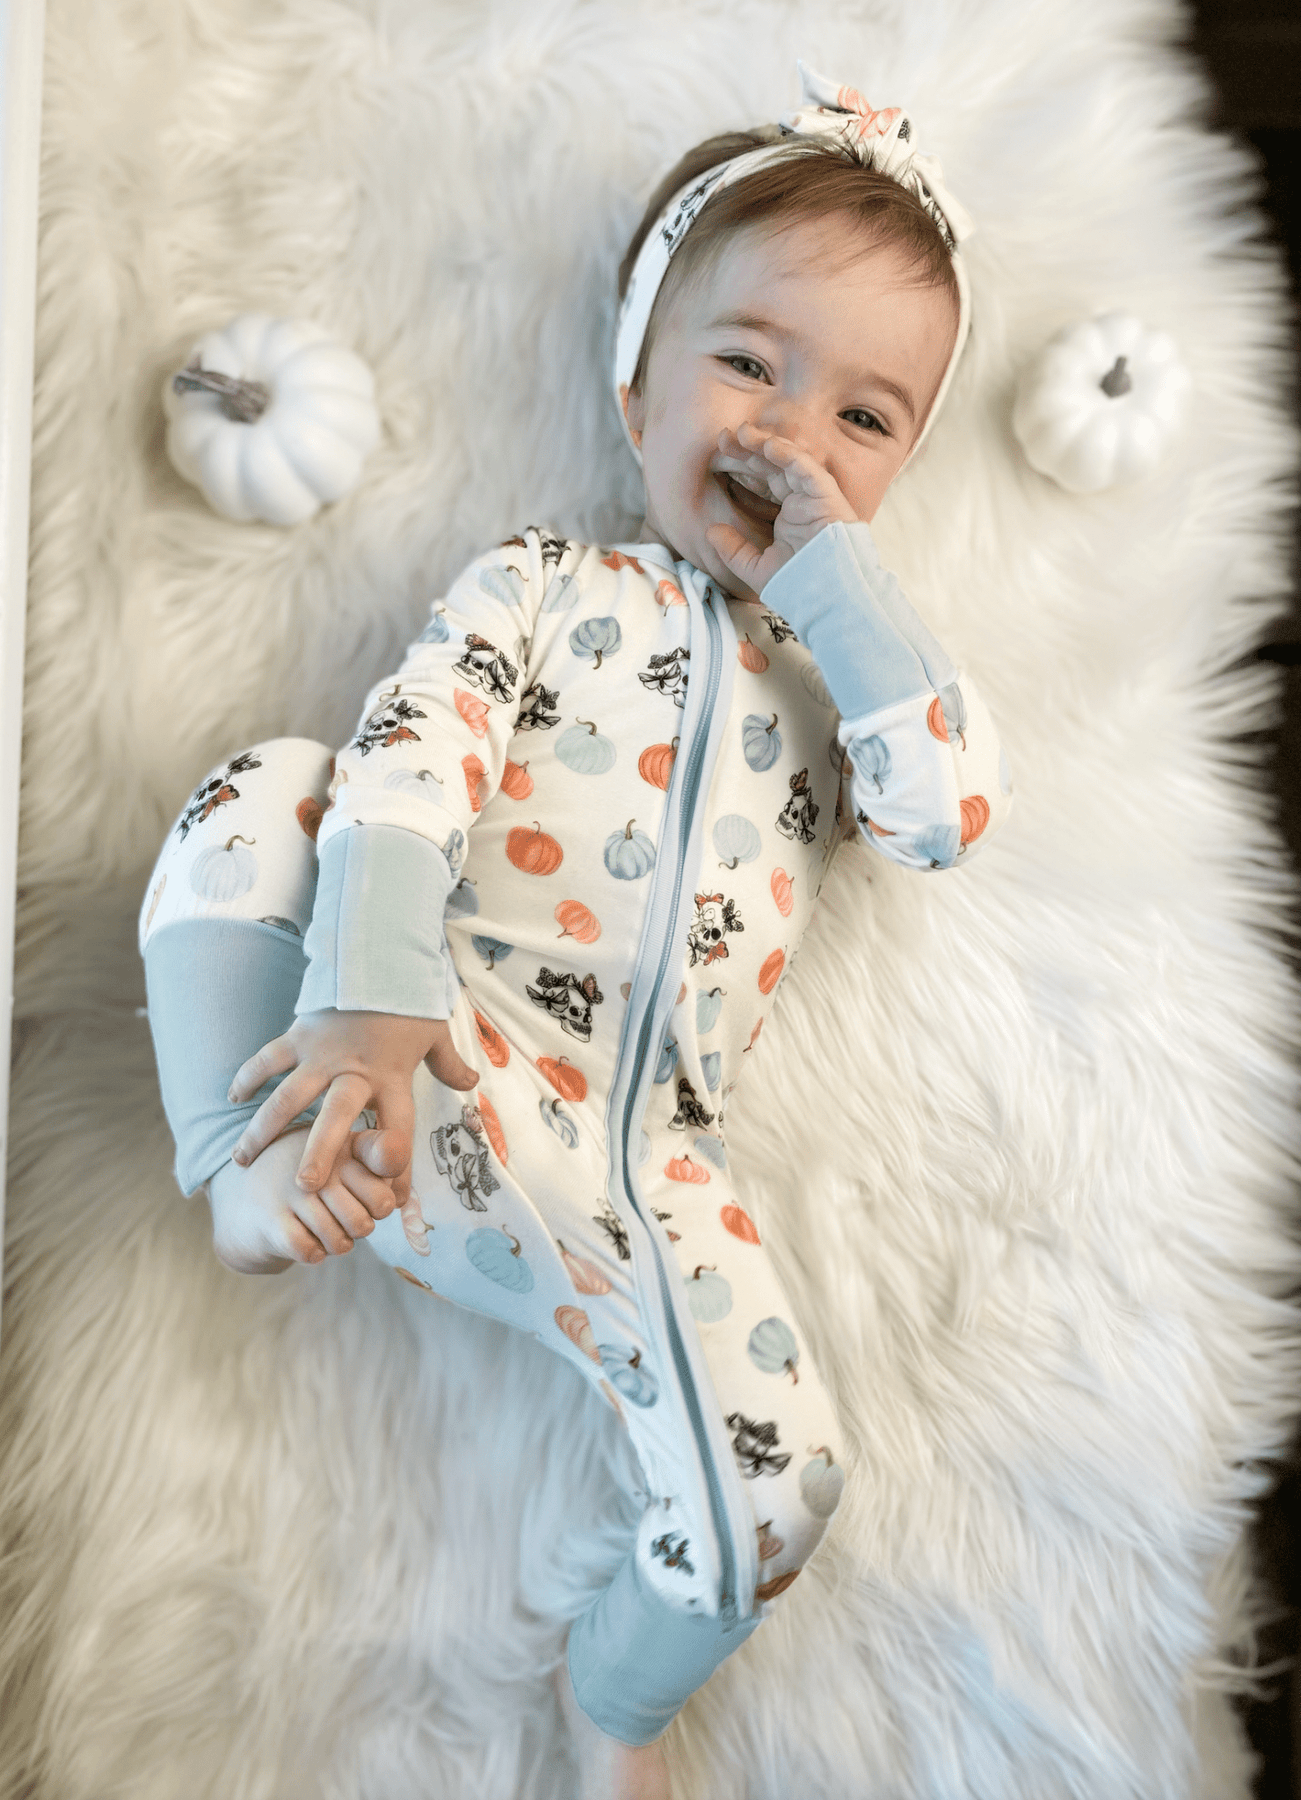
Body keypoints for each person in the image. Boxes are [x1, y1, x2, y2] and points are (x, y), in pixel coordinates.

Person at [139, 63, 1013, 1799]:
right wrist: (372, 1001)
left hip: (643, 1172)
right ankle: (241, 1159)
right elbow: (414, 761)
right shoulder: (544, 582)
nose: (791, 437)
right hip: (410, 1061)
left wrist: (837, 588)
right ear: (638, 386)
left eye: (864, 417)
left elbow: (948, 814)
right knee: (276, 785)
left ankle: (618, 1697)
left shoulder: (839, 682)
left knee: (791, 1486)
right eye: (749, 364)